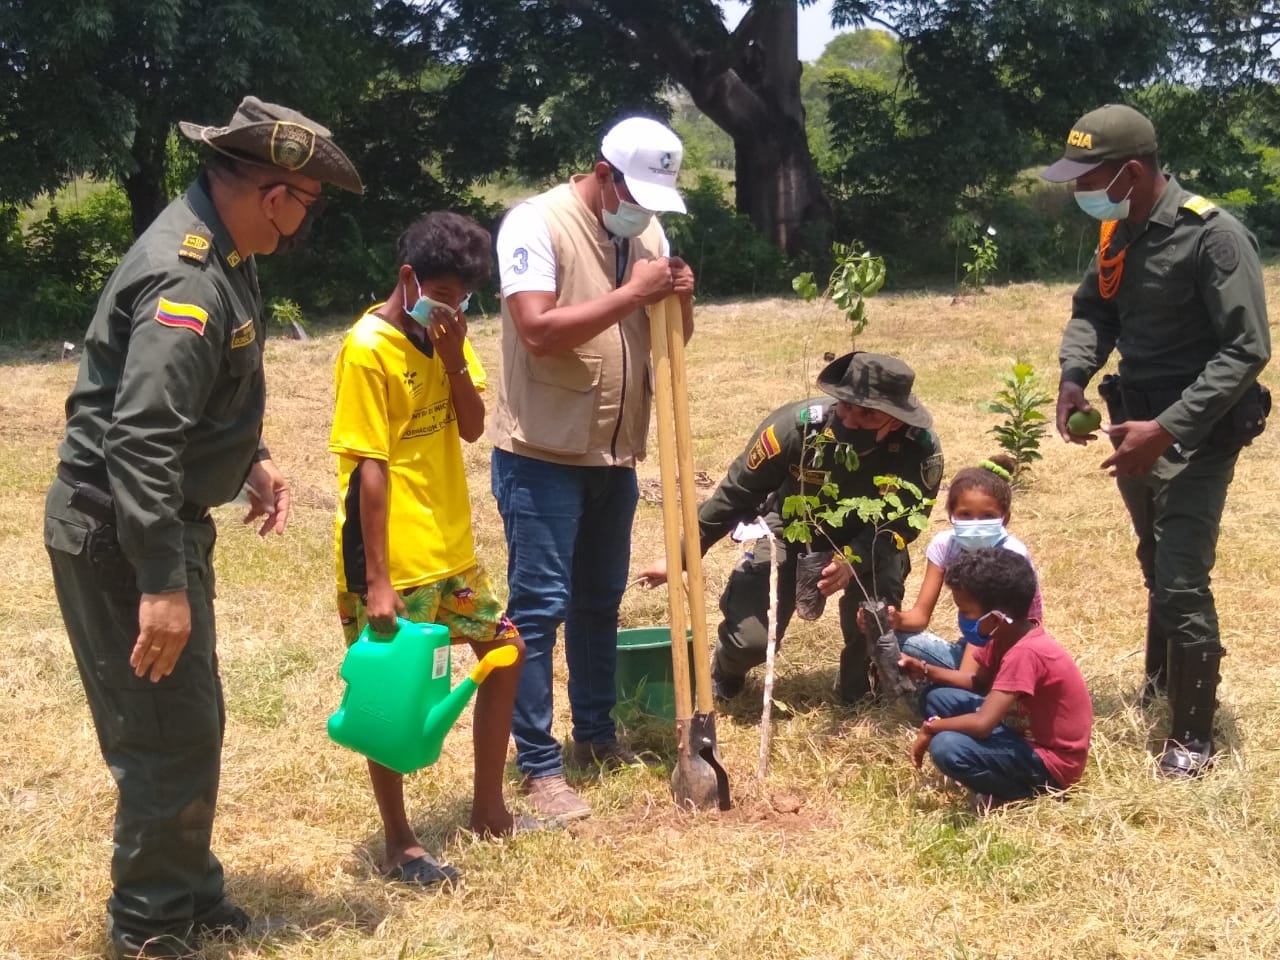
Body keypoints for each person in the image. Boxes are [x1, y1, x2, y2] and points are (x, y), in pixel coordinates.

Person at [44, 97, 362, 959]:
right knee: (164, 730)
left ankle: (185, 889)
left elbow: (183, 400)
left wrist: (246, 454)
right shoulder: (188, 276)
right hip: (124, 530)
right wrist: (159, 583)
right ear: (271, 192)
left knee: (189, 716)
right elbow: (139, 438)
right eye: (305, 204)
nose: (301, 225)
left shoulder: (220, 253)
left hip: (152, 520)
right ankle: (150, 928)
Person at [1041, 103, 1271, 778]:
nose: (1080, 190)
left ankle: (1193, 737)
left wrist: (1167, 428)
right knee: (1154, 559)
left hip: (1194, 433)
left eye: (1090, 178)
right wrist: (1074, 373)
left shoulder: (1214, 237)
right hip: (1131, 426)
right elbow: (1095, 308)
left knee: (1179, 576)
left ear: (1132, 171)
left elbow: (1245, 348)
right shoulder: (1118, 232)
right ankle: (1163, 682)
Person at [489, 116, 696, 821]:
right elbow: (537, 331)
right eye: (633, 194)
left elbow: (673, 339)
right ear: (602, 174)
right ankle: (538, 768)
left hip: (615, 452)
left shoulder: (648, 234)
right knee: (539, 609)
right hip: (542, 453)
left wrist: (679, 297)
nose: (642, 213)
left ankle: (597, 736)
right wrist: (632, 295)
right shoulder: (533, 224)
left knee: (600, 602)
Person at [329, 212, 540, 887]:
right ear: (407, 277)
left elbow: (474, 427)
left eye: (462, 299)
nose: (450, 309)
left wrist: (452, 359)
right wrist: (379, 582)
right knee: (392, 695)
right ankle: (400, 842)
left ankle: (489, 810)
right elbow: (370, 469)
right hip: (392, 558)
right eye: (441, 294)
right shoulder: (367, 348)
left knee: (506, 652)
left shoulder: (447, 339)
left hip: (451, 551)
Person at [638, 351, 945, 704]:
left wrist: (853, 560)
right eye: (846, 406)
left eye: (867, 414)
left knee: (872, 620)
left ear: (895, 418)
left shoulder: (918, 450)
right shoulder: (798, 428)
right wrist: (682, 554)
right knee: (750, 640)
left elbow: (903, 524)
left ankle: (858, 689)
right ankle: (727, 668)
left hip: (870, 540)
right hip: (793, 527)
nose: (850, 419)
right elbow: (736, 493)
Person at [905, 548, 1093, 809]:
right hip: (1019, 735)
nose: (962, 619)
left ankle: (1020, 796)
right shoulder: (1004, 635)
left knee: (948, 747)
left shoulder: (1026, 653)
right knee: (937, 696)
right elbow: (979, 683)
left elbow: (983, 724)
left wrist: (932, 727)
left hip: (1051, 764)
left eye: (966, 611)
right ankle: (995, 766)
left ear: (995, 617)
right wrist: (925, 669)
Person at [891, 456, 1045, 702]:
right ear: (951, 514)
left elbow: (995, 632)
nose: (975, 524)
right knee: (893, 639)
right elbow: (920, 616)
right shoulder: (945, 546)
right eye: (965, 514)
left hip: (1008, 656)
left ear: (1005, 518)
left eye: (987, 516)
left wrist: (939, 674)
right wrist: (892, 619)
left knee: (939, 698)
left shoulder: (1010, 556)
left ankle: (983, 698)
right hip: (972, 649)